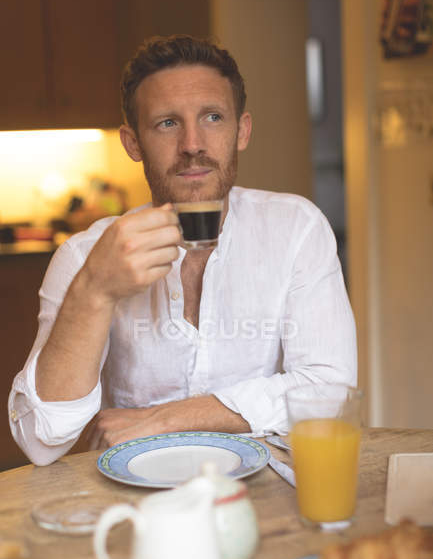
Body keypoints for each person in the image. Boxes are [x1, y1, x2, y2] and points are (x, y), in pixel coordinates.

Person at [8, 35, 357, 466]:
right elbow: (42, 439)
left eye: (212, 117)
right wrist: (95, 291)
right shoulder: (85, 255)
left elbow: (328, 390)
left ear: (241, 131)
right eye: (167, 123)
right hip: (132, 501)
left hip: (266, 490)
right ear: (133, 142)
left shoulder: (296, 229)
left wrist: (162, 419)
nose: (193, 143)